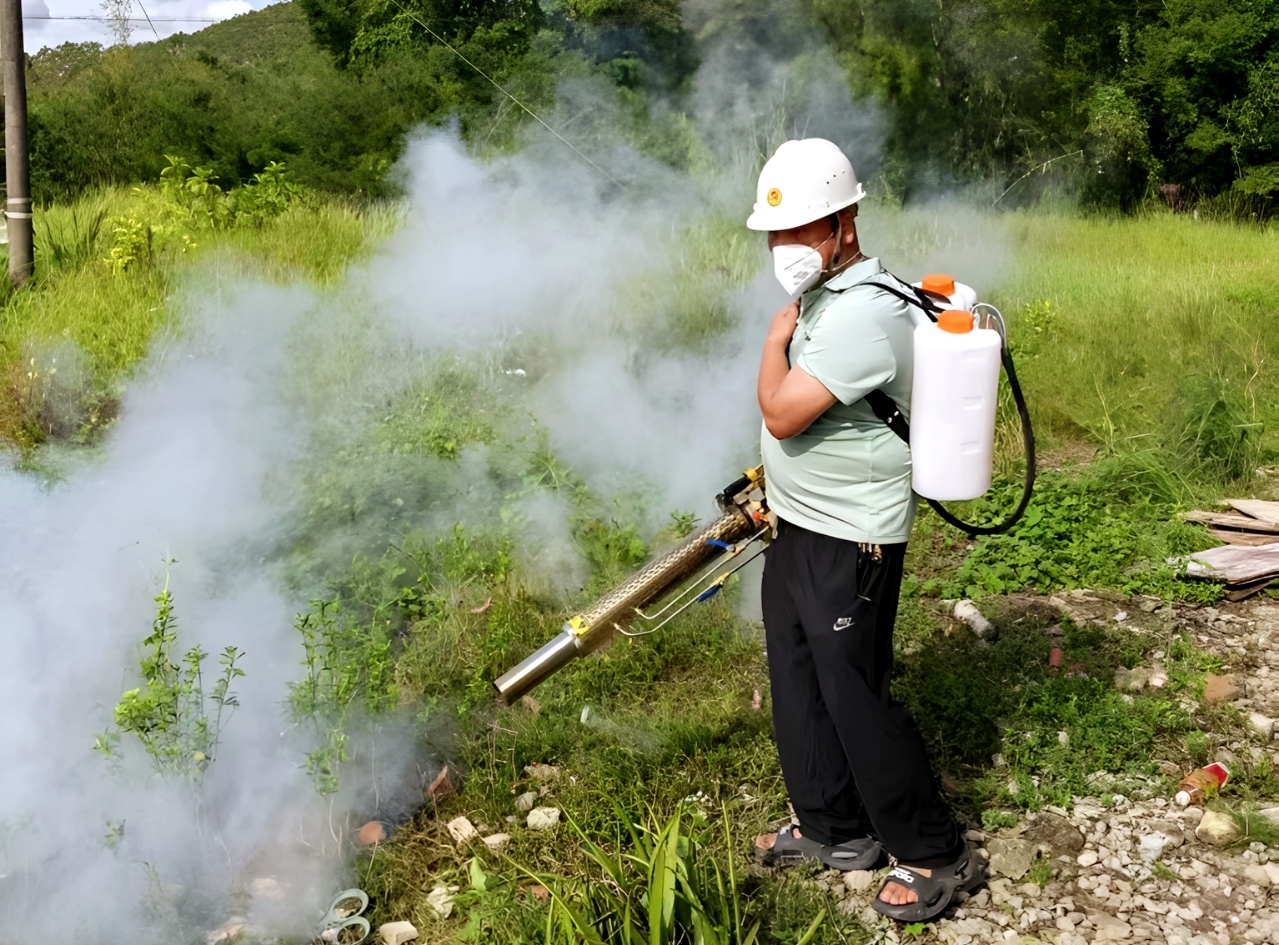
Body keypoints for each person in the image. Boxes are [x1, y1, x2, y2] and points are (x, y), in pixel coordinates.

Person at [746, 138, 983, 922]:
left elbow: (781, 412)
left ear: (844, 223)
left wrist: (772, 344)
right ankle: (832, 827)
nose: (784, 249)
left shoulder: (867, 313)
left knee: (853, 691)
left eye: (800, 231)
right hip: (799, 522)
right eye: (774, 235)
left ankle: (934, 851)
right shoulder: (828, 296)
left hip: (852, 535)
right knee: (797, 675)